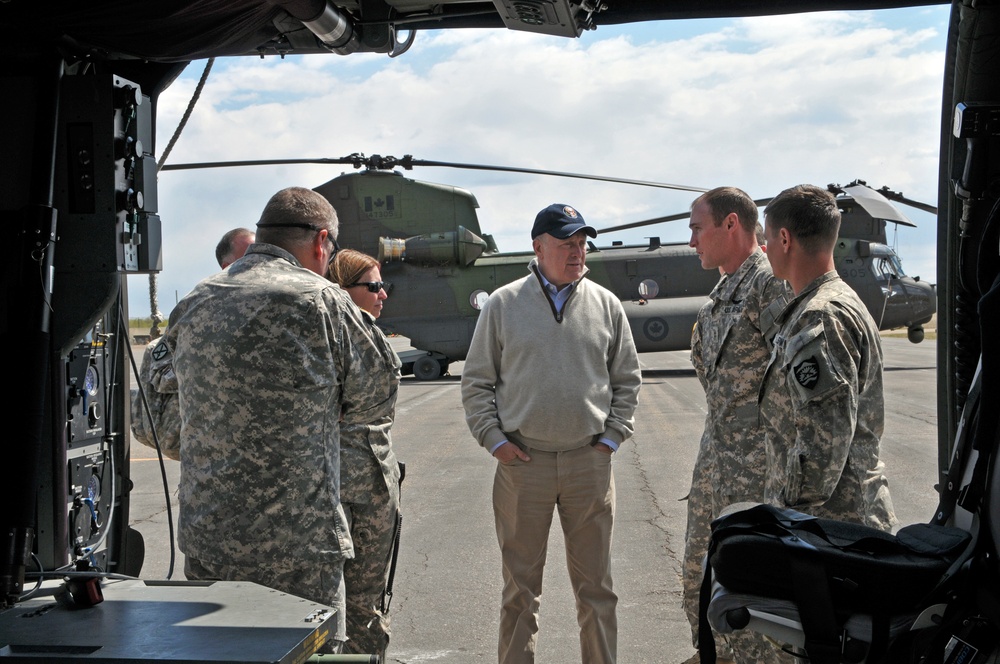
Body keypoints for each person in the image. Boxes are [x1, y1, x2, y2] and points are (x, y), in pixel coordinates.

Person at [165, 187, 374, 653]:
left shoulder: (194, 302)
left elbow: (155, 419)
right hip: (300, 549)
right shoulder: (325, 301)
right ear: (322, 243)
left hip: (210, 544)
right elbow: (376, 397)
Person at [461, 203, 642, 664]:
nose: (577, 252)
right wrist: (494, 440)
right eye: (566, 244)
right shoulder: (503, 304)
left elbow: (627, 380)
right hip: (524, 465)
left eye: (582, 243)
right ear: (538, 247)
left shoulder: (606, 304)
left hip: (589, 464)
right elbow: (477, 381)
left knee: (597, 591)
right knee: (520, 593)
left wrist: (612, 439)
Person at [682, 188, 792, 664]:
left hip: (758, 472)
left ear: (731, 225)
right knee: (699, 573)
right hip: (717, 467)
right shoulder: (718, 299)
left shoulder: (771, 287)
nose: (691, 242)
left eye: (696, 228)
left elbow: (795, 382)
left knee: (751, 585)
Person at [760, 184, 895, 531]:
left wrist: (784, 514)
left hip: (835, 526)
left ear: (786, 239)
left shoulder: (820, 315)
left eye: (769, 239)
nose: (765, 248)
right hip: (835, 522)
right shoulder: (827, 303)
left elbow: (825, 443)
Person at [326, 249, 402, 660]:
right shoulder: (330, 338)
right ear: (342, 290)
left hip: (373, 484)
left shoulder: (368, 335)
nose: (383, 294)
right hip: (341, 488)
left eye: (382, 285)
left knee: (367, 602)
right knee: (336, 606)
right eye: (372, 286)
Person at [130, 227, 255, 460]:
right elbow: (162, 371)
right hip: (203, 437)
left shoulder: (269, 305)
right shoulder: (198, 308)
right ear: (228, 267)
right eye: (251, 257)